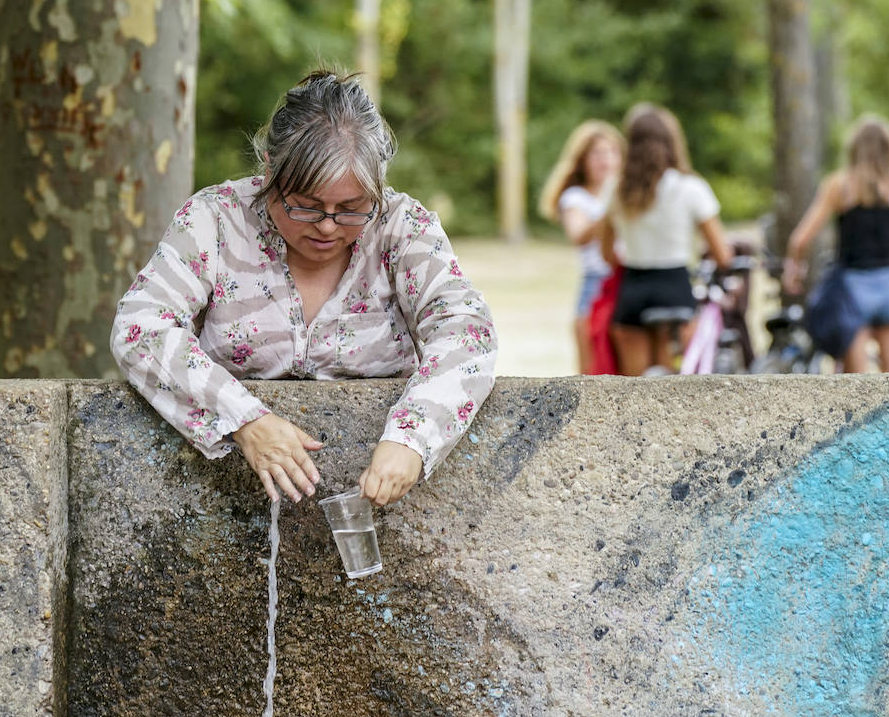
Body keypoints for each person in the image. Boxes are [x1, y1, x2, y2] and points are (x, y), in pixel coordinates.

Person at [110, 70, 497, 508]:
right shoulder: (214, 220)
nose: (328, 227)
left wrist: (412, 437)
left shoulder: (402, 227)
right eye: (307, 207)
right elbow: (140, 326)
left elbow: (468, 332)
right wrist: (245, 419)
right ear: (270, 172)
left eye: (351, 209)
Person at [598, 105, 731, 376]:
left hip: (633, 289)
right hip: (676, 289)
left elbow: (606, 254)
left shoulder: (617, 189)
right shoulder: (690, 187)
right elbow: (723, 254)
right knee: (677, 389)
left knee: (633, 391)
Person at [783, 114, 889, 373]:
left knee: (854, 387)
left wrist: (794, 269)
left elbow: (799, 240)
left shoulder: (840, 187)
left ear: (854, 148)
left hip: (852, 292)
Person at [537, 121, 624, 373]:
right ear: (583, 160)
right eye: (597, 153)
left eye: (611, 152)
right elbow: (579, 235)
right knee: (591, 367)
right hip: (595, 283)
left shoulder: (626, 194)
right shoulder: (575, 198)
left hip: (627, 279)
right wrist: (609, 206)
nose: (605, 160)